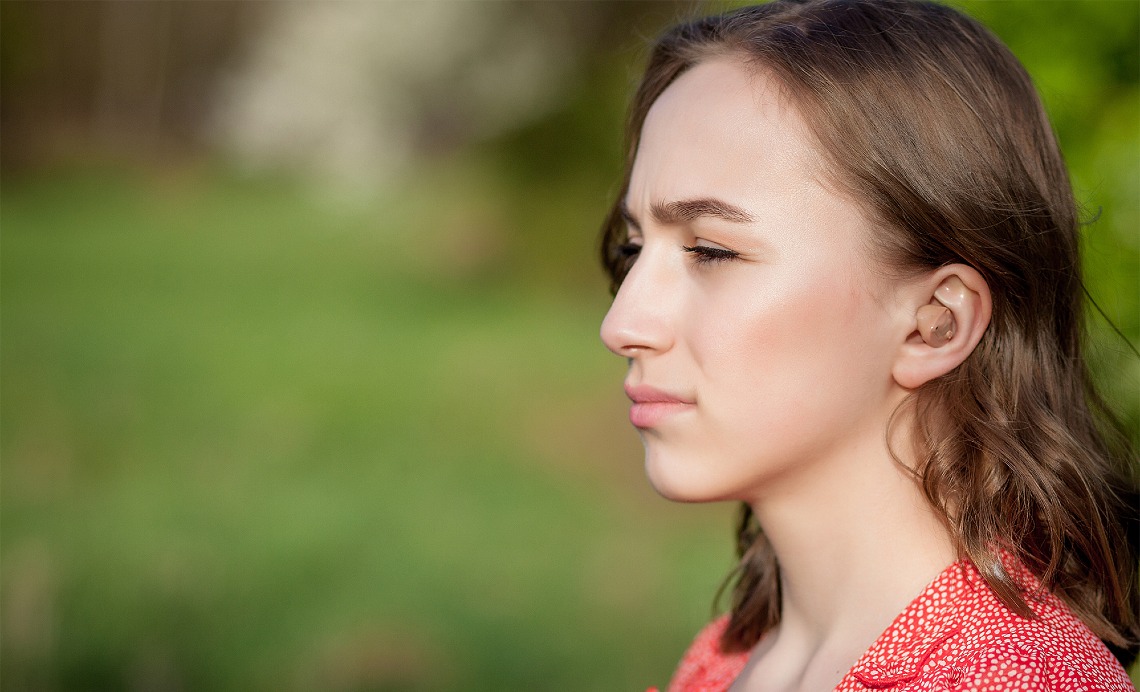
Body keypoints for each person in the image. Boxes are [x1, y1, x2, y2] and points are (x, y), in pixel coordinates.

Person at [596, 1, 1139, 690]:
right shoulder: (730, 658)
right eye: (634, 247)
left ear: (934, 322)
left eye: (710, 250)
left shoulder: (1012, 679)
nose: (623, 324)